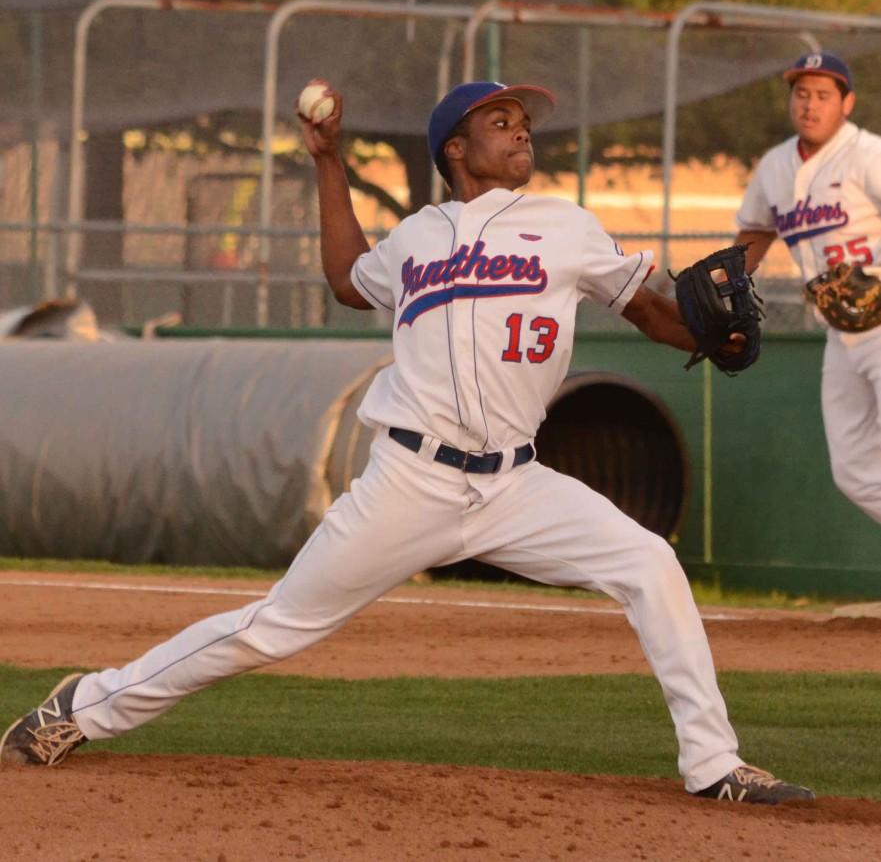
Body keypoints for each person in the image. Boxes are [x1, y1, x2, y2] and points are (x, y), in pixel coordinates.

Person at [1, 79, 814, 805]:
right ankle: (83, 706)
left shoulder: (564, 225)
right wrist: (328, 161)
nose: (522, 130)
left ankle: (714, 764)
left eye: (524, 120)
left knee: (647, 564)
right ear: (455, 149)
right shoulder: (417, 239)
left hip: (517, 486)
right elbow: (348, 277)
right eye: (501, 120)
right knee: (275, 626)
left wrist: (713, 340)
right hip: (408, 481)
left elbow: (648, 308)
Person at [735, 51, 881, 525]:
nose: (810, 105)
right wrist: (727, 283)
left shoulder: (868, 154)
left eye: (823, 95)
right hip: (840, 332)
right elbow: (756, 231)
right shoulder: (775, 166)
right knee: (855, 468)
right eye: (802, 94)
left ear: (847, 103)